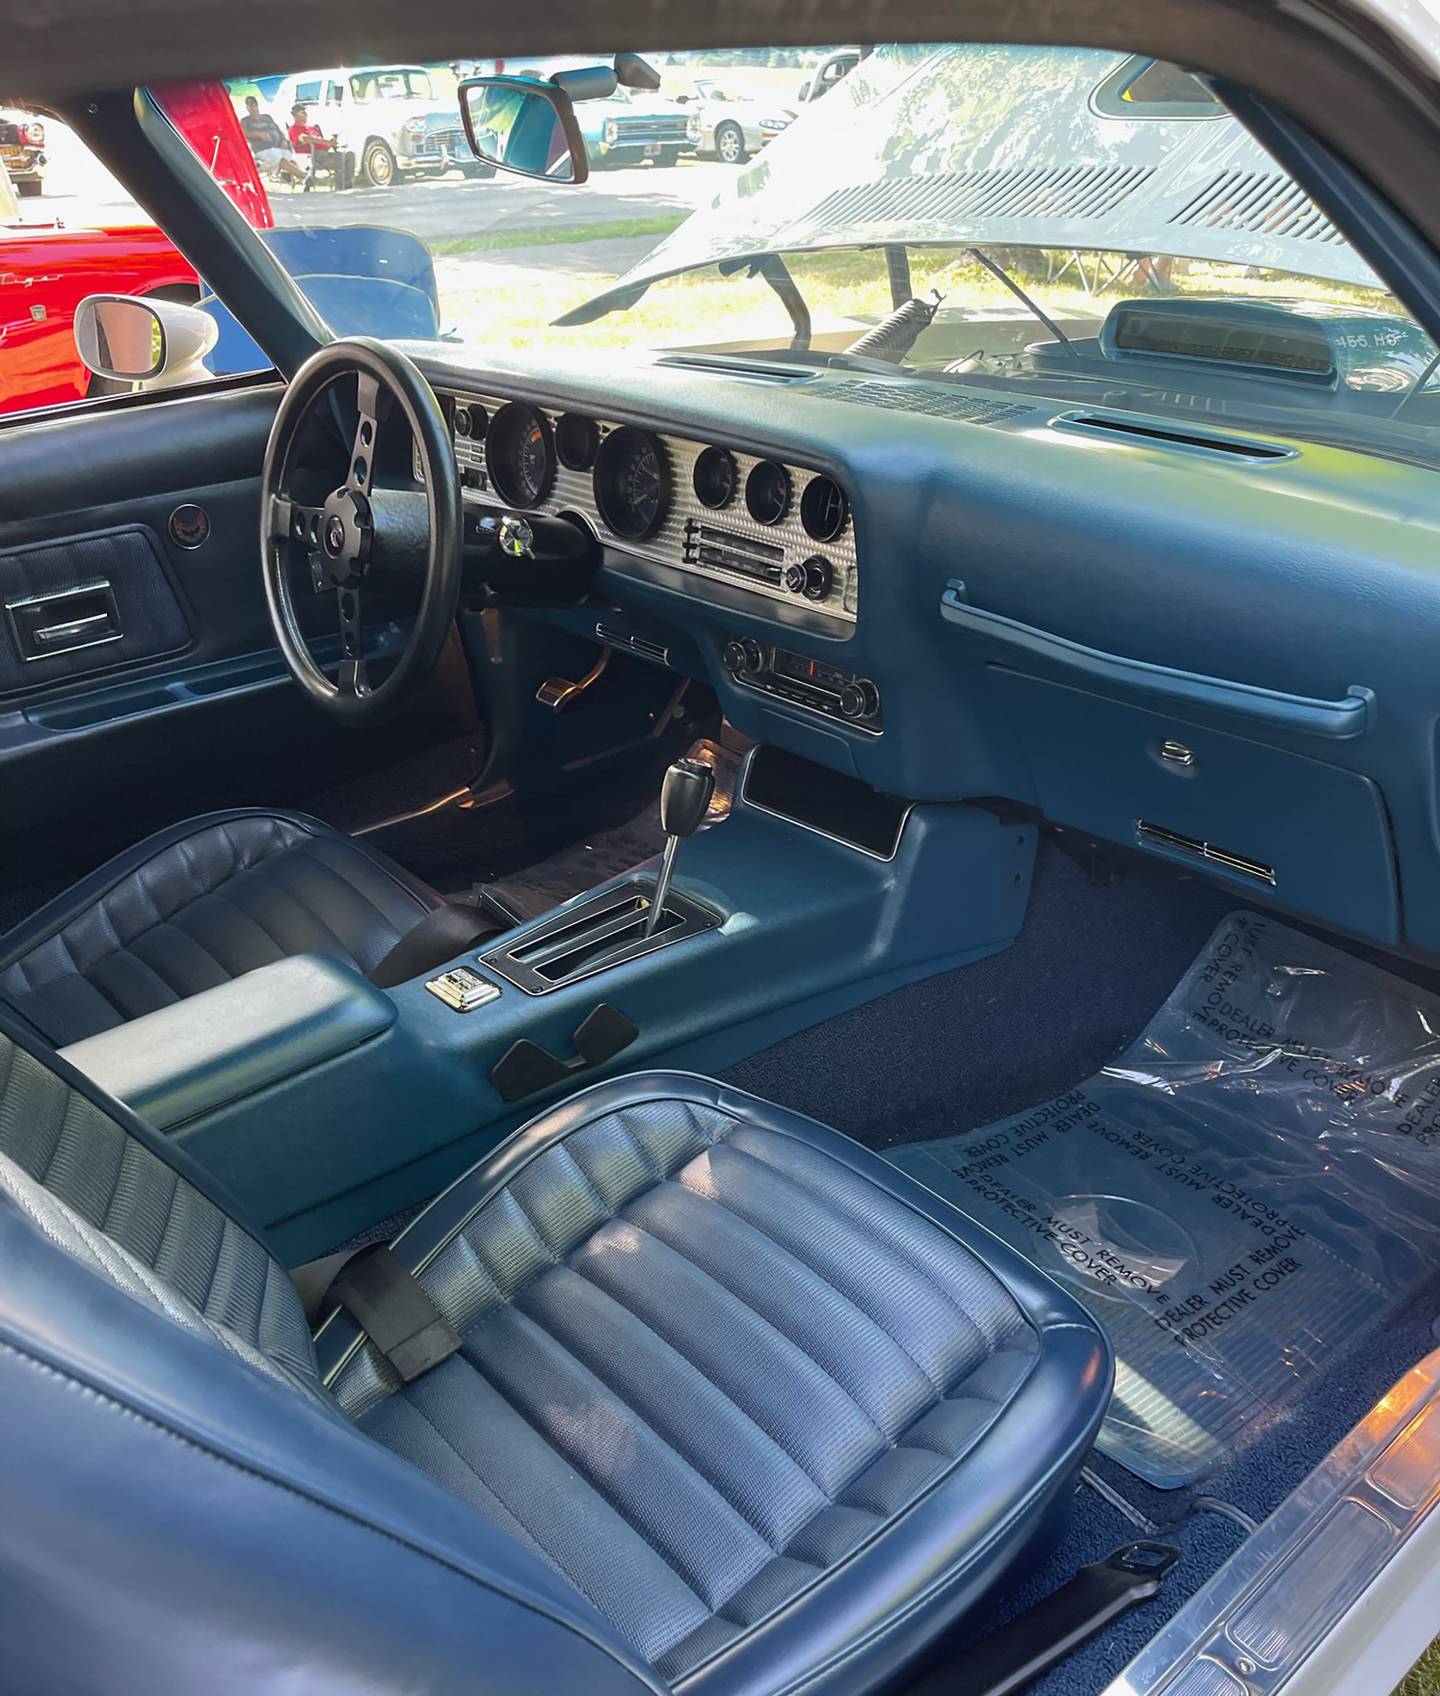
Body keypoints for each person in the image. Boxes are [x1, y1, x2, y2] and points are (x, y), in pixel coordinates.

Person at [287, 102, 356, 189]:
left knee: (350, 155)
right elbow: (305, 139)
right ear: (295, 116)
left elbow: (322, 139)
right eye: (303, 113)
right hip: (312, 155)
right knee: (340, 159)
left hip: (324, 152)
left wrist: (332, 141)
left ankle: (348, 184)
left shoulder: (311, 128)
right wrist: (326, 142)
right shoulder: (294, 129)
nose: (306, 115)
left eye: (306, 113)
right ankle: (340, 186)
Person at [239, 95, 305, 184]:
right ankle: (304, 177)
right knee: (282, 161)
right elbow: (243, 133)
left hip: (278, 147)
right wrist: (258, 134)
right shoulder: (245, 121)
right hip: (263, 150)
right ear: (247, 108)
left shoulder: (267, 117)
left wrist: (283, 140)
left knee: (290, 160)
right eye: (250, 105)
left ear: (257, 105)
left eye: (254, 104)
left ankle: (301, 179)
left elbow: (278, 130)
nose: (253, 107)